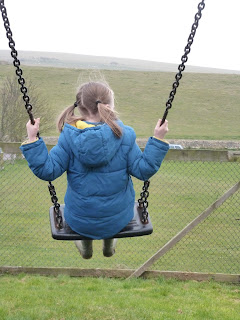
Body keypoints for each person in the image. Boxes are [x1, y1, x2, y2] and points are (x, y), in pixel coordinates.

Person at [20, 81, 169, 259]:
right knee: (109, 221)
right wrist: (158, 140)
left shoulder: (69, 137)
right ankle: (108, 245)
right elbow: (144, 170)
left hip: (79, 219)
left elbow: (47, 170)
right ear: (109, 107)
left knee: (85, 222)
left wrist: (32, 139)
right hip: (118, 218)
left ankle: (86, 249)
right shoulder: (124, 135)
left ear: (79, 107)